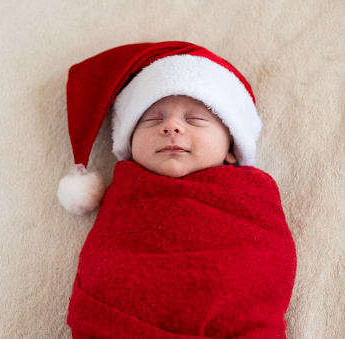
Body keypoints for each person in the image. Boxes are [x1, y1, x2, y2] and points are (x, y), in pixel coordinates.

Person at [58, 42, 297, 338]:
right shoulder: (126, 192)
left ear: (232, 149)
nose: (171, 127)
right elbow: (103, 266)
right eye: (152, 120)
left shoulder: (250, 193)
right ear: (129, 147)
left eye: (195, 119)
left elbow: (267, 263)